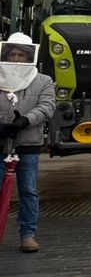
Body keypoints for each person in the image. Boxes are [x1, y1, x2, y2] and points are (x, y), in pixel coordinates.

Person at [0, 34, 54, 253]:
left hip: (28, 144)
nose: (16, 58)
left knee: (28, 190)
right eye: (12, 53)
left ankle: (28, 234)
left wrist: (25, 120)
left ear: (28, 56)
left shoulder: (43, 80)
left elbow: (47, 106)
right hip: (1, 141)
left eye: (21, 54)